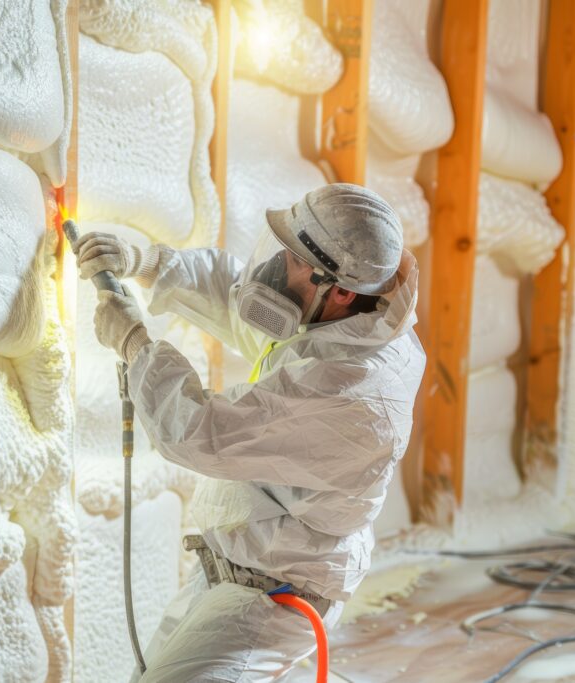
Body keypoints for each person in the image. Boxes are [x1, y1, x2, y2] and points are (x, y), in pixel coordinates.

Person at [78, 183, 425, 681]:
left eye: (292, 259)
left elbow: (201, 431)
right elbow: (242, 297)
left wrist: (136, 346)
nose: (276, 266)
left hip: (275, 598)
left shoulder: (349, 385)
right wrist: (150, 262)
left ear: (341, 288)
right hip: (237, 568)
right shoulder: (346, 319)